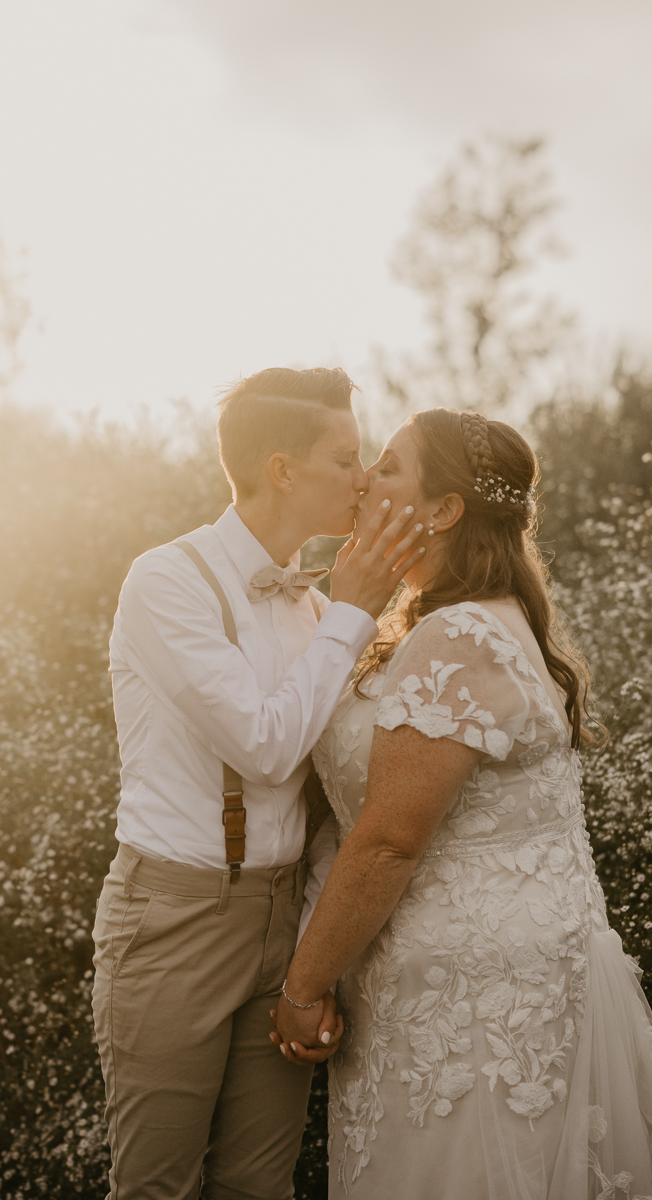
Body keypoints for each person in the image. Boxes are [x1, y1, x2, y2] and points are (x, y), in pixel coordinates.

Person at [272, 408, 652, 1198]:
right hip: (507, 973)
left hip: (470, 1006)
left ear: (443, 510)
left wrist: (303, 986)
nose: (368, 477)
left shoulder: (455, 640)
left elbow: (387, 841)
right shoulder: (481, 625)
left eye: (389, 465)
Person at [91, 366, 424, 1200]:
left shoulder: (315, 610)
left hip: (287, 921)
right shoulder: (167, 583)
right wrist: (354, 613)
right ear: (283, 470)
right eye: (345, 456)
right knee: (156, 1187)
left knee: (260, 1188)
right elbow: (266, 748)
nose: (363, 477)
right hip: (177, 919)